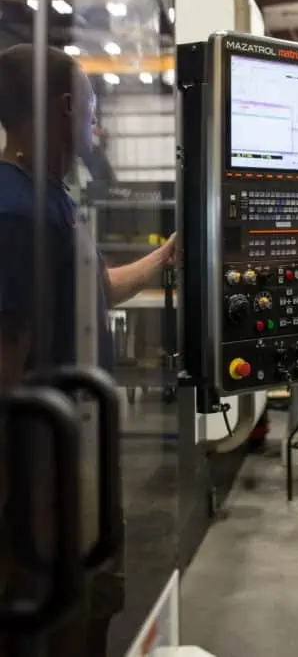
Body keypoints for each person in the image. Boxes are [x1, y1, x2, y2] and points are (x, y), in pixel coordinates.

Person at [0, 43, 176, 656]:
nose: (97, 128)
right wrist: (30, 507)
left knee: (96, 609)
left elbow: (100, 288)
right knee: (60, 625)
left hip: (77, 456)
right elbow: (5, 376)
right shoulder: (13, 211)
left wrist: (166, 255)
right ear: (67, 107)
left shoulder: (52, 197)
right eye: (93, 111)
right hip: (44, 477)